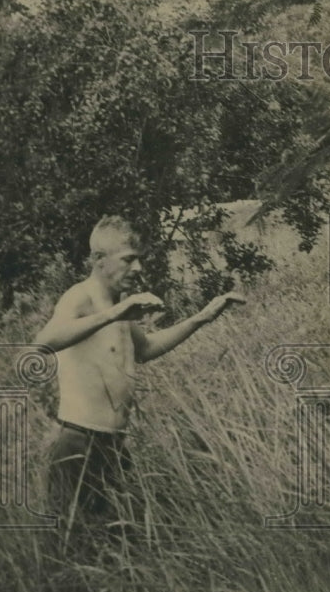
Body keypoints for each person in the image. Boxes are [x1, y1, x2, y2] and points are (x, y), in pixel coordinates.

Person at [34, 215, 244, 542]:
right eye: (129, 259)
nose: (138, 268)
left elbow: (145, 349)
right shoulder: (82, 297)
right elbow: (43, 343)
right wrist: (115, 313)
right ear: (99, 260)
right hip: (77, 444)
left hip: (112, 446)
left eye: (139, 259)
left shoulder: (117, 305)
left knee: (123, 545)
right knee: (72, 547)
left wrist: (202, 318)